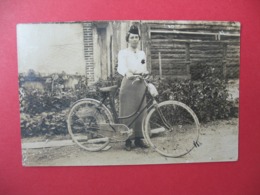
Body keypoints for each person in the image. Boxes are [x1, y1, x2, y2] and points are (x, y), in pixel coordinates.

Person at [117, 25, 149, 151]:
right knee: (128, 112)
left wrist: (145, 72)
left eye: (136, 37)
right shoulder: (123, 53)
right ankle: (127, 140)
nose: (134, 39)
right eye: (132, 37)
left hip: (140, 84)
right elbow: (121, 67)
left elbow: (143, 66)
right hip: (129, 84)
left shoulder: (141, 53)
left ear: (138, 39)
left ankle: (138, 139)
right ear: (128, 39)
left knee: (140, 111)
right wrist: (127, 73)